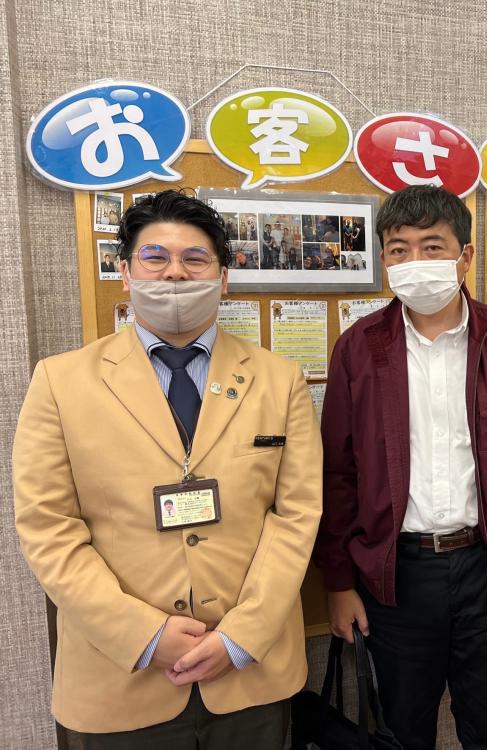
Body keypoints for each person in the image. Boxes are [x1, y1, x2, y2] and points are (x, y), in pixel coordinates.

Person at [12, 190, 322, 748]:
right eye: (155, 257)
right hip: (121, 677)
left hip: (250, 671)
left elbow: (297, 515)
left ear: (223, 278)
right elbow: (47, 527)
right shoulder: (60, 382)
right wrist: (144, 635)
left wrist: (242, 635)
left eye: (195, 259)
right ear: (125, 273)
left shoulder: (280, 380)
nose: (175, 273)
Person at [315, 184, 487, 750]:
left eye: (432, 246)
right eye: (399, 249)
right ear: (384, 261)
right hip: (395, 576)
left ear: (465, 256)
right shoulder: (358, 348)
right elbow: (338, 476)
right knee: (403, 731)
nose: (415, 261)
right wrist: (338, 582)